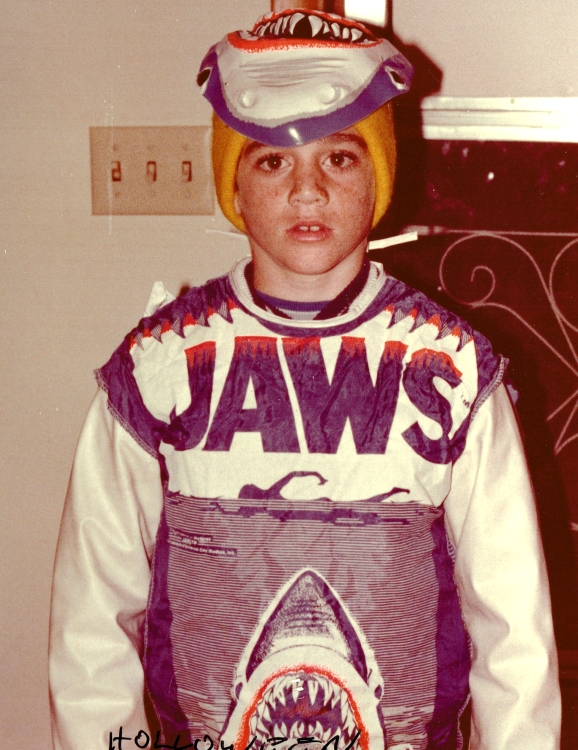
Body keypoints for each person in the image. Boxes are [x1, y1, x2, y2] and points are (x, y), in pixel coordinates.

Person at [49, 9, 561, 750]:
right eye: (272, 162)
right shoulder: (156, 369)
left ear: (380, 175)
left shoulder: (455, 371)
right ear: (233, 183)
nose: (308, 191)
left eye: (340, 159)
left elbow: (514, 635)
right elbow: (93, 625)